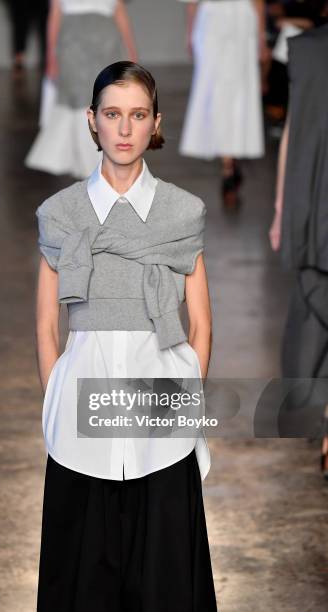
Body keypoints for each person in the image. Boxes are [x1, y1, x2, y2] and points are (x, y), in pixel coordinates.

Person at [34, 61, 217, 610]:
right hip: (79, 427)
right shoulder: (60, 214)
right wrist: (57, 398)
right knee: (81, 586)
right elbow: (47, 324)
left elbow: (202, 324)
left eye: (137, 115)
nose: (124, 128)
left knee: (165, 585)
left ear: (154, 123)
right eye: (112, 114)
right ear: (92, 121)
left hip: (159, 422)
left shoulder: (182, 214)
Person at [269, 22, 328, 480]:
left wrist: (282, 208)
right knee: (314, 305)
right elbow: (293, 128)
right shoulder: (305, 49)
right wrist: (279, 208)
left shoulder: (305, 50)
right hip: (313, 199)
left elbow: (292, 130)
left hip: (313, 198)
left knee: (315, 306)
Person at [25, 0, 138, 180]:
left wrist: (131, 52)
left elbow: (119, 11)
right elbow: (55, 14)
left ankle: (100, 163)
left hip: (106, 43)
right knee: (79, 99)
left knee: (104, 99)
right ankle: (88, 164)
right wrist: (51, 57)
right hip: (72, 41)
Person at [177, 0, 266, 207]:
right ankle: (229, 161)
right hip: (222, 20)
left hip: (231, 20)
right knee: (221, 95)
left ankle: (228, 163)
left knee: (232, 94)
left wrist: (261, 35)